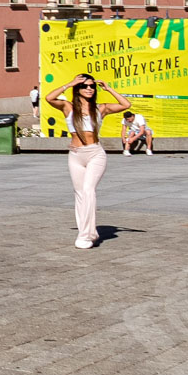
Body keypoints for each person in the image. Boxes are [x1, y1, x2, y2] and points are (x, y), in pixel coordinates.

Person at [47, 73, 131, 248]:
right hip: (76, 154)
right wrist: (69, 83)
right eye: (85, 86)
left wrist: (109, 89)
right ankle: (86, 231)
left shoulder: (101, 109)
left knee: (88, 190)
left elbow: (126, 105)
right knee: (79, 193)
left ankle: (86, 235)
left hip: (95, 154)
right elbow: (49, 97)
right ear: (78, 89)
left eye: (92, 86)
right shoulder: (68, 107)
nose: (89, 89)